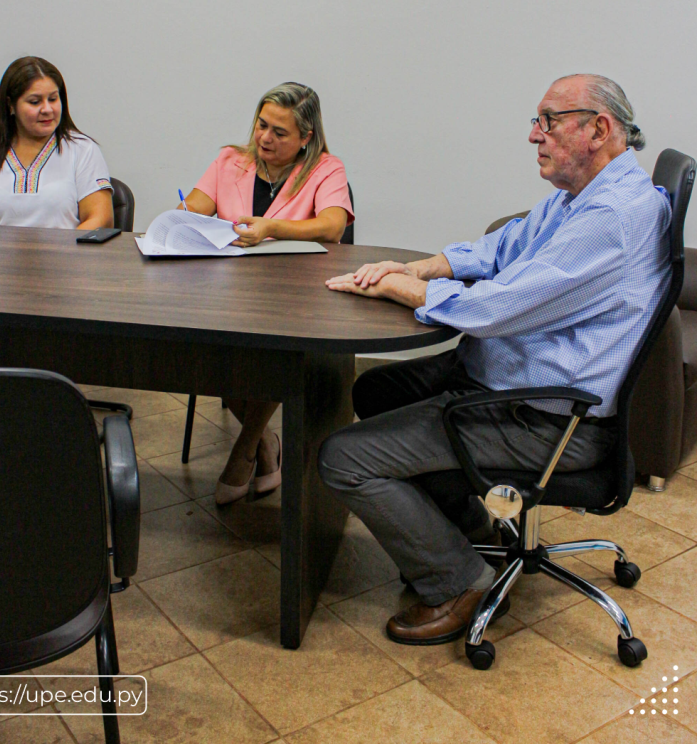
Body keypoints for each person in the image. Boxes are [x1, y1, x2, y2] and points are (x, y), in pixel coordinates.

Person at [320, 73, 670, 646]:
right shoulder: (583, 197)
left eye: (548, 121)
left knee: (342, 458)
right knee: (376, 392)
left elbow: (501, 308)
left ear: (598, 129)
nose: (535, 135)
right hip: (516, 382)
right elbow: (502, 247)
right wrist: (418, 269)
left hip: (545, 419)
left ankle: (460, 583)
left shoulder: (612, 218)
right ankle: (468, 532)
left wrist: (405, 291)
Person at [181, 81, 354, 504]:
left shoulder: (325, 169)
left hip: (294, 296)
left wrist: (271, 227)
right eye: (262, 125)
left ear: (305, 138)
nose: (264, 138)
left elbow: (333, 225)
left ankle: (246, 448)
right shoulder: (230, 160)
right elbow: (195, 210)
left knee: (272, 357)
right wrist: (179, 221)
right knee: (202, 350)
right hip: (229, 292)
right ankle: (265, 444)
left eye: (279, 132)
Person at [0, 57, 114, 230]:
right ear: (10, 105)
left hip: (66, 254)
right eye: (35, 102)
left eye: (53, 99)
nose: (47, 109)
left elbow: (101, 219)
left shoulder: (82, 149)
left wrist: (61, 254)